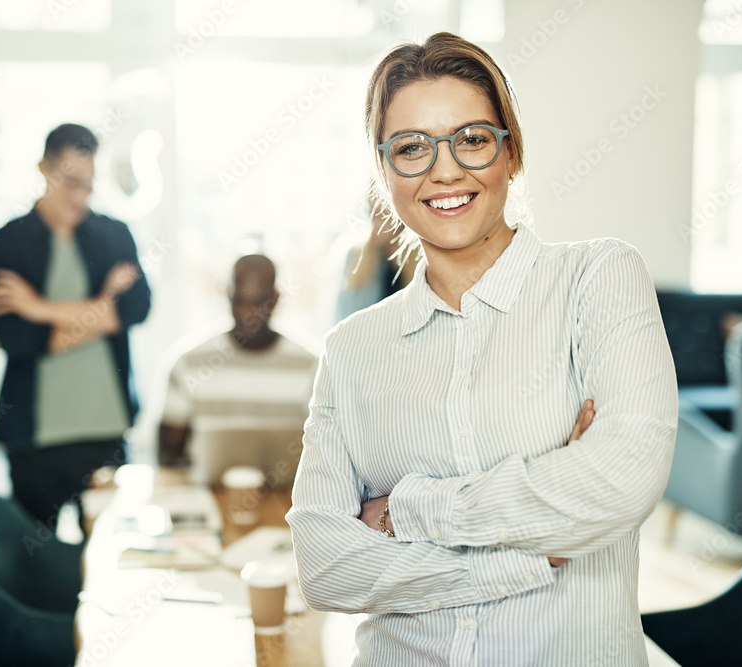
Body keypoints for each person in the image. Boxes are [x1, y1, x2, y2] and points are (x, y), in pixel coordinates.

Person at [286, 33, 678, 666]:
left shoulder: (598, 279)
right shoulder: (353, 349)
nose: (444, 170)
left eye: (471, 139)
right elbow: (327, 567)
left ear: (511, 150)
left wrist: (409, 509)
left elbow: (621, 480)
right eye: (411, 147)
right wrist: (528, 552)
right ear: (384, 172)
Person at [0, 123, 151, 532]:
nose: (80, 196)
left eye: (89, 184)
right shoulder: (4, 246)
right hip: (34, 440)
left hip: (106, 432)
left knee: (112, 550)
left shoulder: (114, 235)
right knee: (38, 567)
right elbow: (19, 340)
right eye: (71, 182)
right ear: (43, 168)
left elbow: (136, 309)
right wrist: (100, 312)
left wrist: (38, 307)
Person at [158, 254, 318, 478]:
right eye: (240, 302)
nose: (248, 314)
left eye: (259, 303)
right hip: (208, 499)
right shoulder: (189, 362)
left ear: (275, 298)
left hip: (288, 503)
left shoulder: (312, 366)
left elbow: (325, 452)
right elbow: (168, 456)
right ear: (228, 295)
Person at [333, 189, 418, 322]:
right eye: (369, 213)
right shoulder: (356, 256)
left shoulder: (422, 262)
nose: (372, 222)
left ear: (400, 216)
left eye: (380, 214)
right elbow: (341, 318)